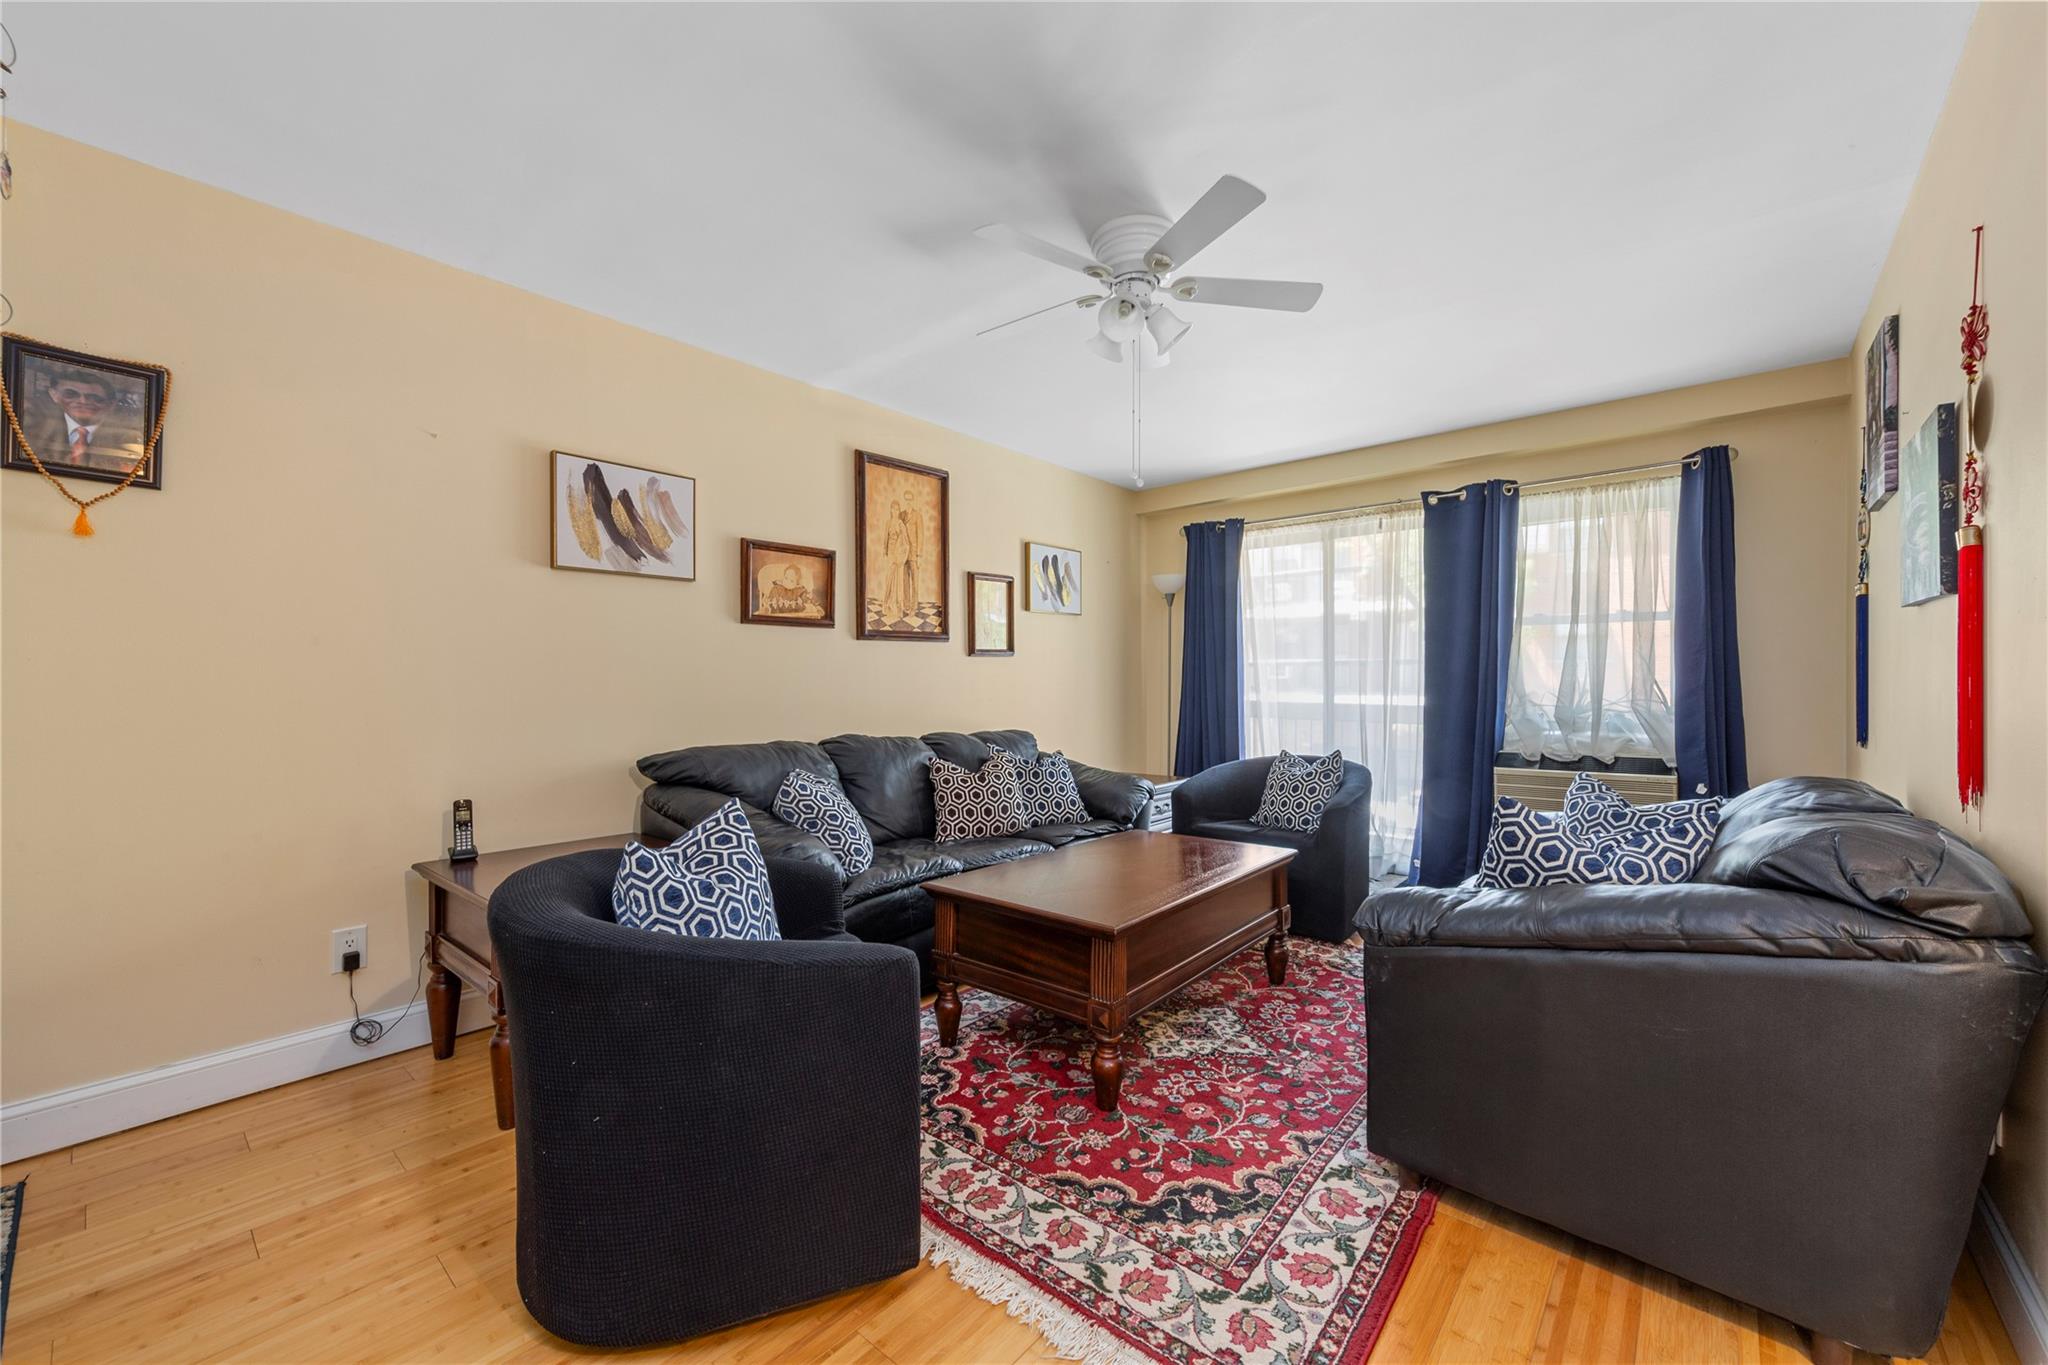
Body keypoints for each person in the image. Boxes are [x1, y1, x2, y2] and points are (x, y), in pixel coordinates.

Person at [20, 364, 148, 476]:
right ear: (55, 395)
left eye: (94, 398)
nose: (82, 401)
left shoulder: (129, 438)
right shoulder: (32, 430)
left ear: (111, 404)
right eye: (71, 394)